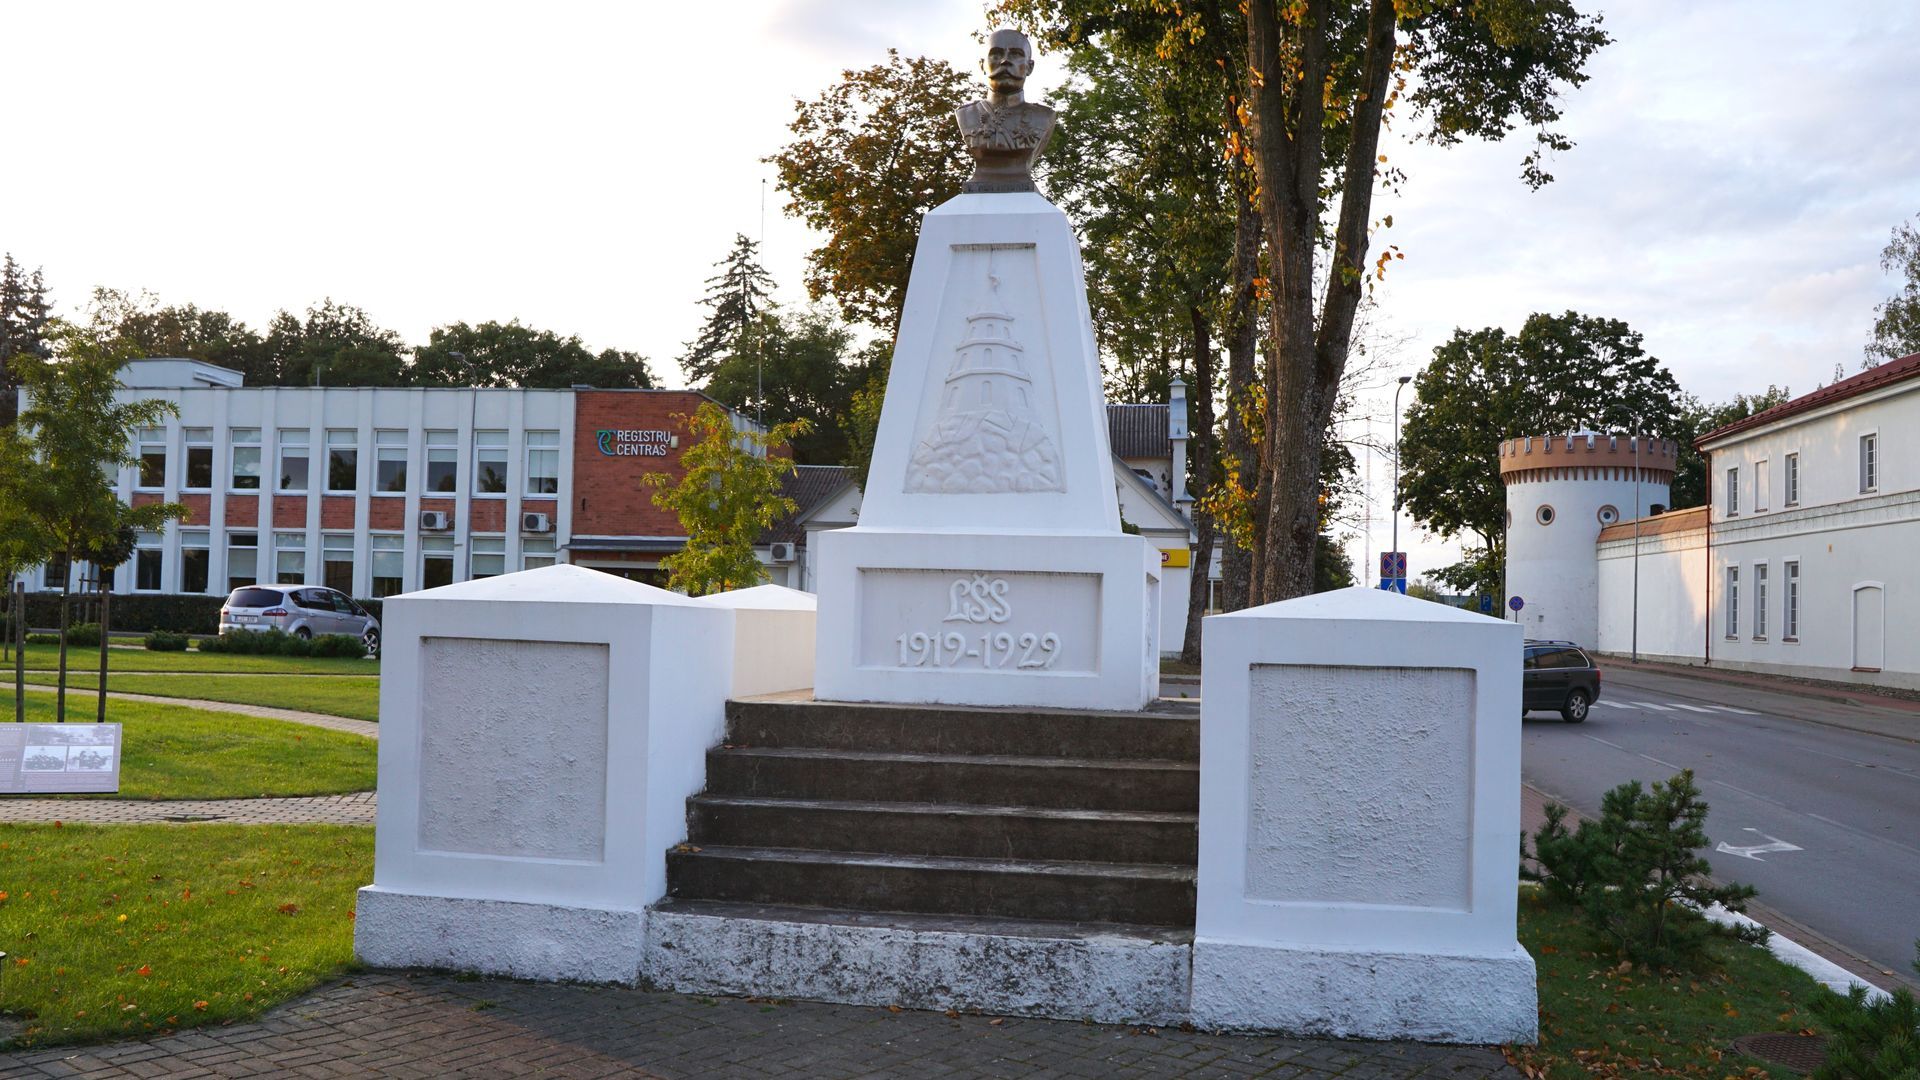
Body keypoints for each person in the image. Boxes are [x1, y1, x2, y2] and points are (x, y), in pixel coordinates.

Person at [955, 29, 1055, 193]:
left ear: (1029, 67)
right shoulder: (965, 114)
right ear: (982, 65)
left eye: (1015, 54)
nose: (1005, 61)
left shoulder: (1043, 116)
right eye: (996, 54)